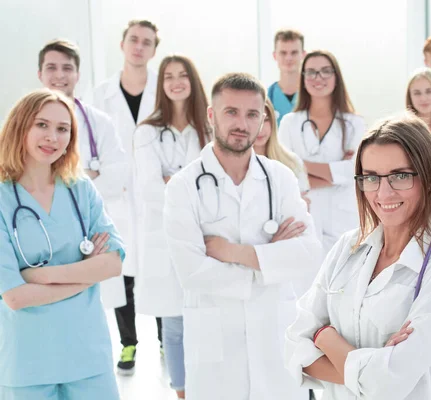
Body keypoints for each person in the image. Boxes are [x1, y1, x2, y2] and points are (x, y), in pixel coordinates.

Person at [284, 115, 431, 399]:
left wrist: (325, 337)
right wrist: (370, 371)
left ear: (429, 178)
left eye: (400, 175)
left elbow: (388, 384)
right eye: (371, 177)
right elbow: (293, 346)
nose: (383, 192)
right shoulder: (348, 246)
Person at [163, 72, 321, 400]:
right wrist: (268, 261)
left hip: (274, 337)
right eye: (231, 112)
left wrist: (232, 252)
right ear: (211, 115)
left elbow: (307, 254)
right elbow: (191, 273)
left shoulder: (280, 178)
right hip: (215, 347)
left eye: (252, 114)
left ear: (264, 118)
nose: (242, 124)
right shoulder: (183, 186)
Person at [0, 89, 125, 399]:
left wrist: (40, 276)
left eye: (62, 128)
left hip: (88, 357)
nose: (52, 137)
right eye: (41, 125)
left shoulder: (80, 188)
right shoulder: (3, 198)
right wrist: (85, 274)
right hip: (27, 363)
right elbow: (15, 296)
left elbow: (113, 263)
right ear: (20, 126)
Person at [133, 54, 211, 400]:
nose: (176, 82)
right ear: (161, 85)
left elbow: (217, 186)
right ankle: (181, 394)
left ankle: (209, 389)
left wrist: (172, 178)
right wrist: (190, 183)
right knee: (175, 327)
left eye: (183, 75)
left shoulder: (208, 128)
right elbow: (149, 189)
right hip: (164, 239)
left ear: (193, 82)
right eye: (168, 77)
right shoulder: (147, 131)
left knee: (205, 322)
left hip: (205, 238)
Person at [90, 19, 161, 374]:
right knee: (123, 276)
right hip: (116, 199)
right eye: (134, 40)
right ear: (122, 45)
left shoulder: (163, 92)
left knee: (160, 267)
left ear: (153, 50)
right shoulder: (100, 96)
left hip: (153, 197)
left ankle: (166, 341)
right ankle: (129, 344)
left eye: (146, 42)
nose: (139, 47)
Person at [38, 38, 128, 310]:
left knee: (90, 308)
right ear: (40, 74)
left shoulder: (99, 122)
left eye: (67, 68)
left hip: (89, 233)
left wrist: (62, 179)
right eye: (51, 67)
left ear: (77, 74)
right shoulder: (24, 123)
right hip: (41, 231)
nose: (59, 75)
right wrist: (86, 174)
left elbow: (117, 179)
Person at [279, 50, 366, 256]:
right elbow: (283, 172)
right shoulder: (289, 123)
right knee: (304, 280)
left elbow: (356, 173)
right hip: (302, 214)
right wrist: (336, 173)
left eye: (326, 71)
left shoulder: (355, 124)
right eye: (311, 72)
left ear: (336, 77)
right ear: (303, 79)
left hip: (343, 218)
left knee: (343, 278)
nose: (318, 78)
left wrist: (299, 164)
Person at [268, 29, 306, 125]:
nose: (288, 58)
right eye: (283, 53)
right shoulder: (266, 97)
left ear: (303, 55)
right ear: (274, 55)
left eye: (294, 53)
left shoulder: (313, 95)